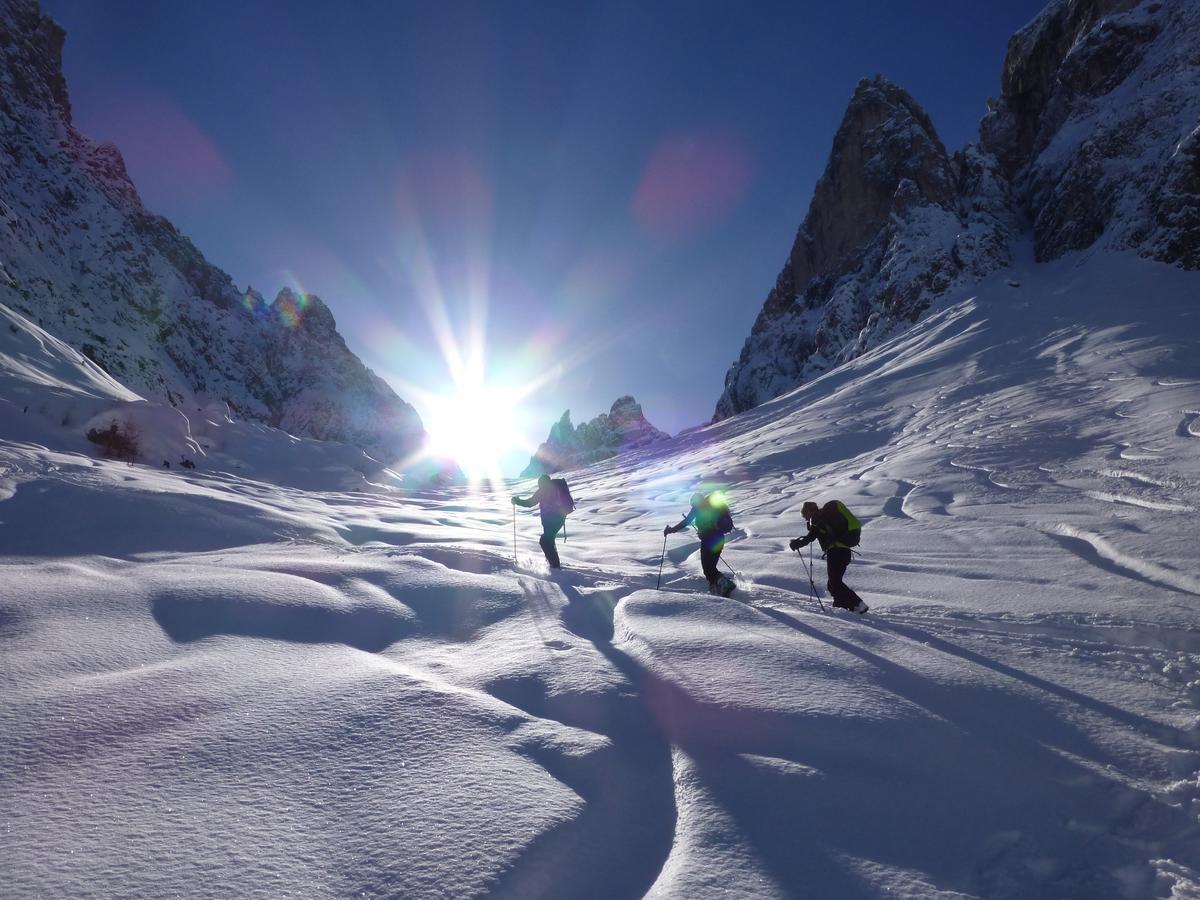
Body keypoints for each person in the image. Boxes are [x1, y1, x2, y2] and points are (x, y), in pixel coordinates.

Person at [790, 501, 868, 613]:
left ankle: (858, 604)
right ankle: (843, 606)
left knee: (835, 582)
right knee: (832, 584)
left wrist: (796, 544)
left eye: (805, 515)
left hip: (836, 552)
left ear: (809, 511)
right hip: (844, 551)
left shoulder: (817, 518)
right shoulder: (825, 518)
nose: (806, 519)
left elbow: (810, 537)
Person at [665, 492, 735, 595]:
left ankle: (723, 585)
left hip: (708, 539)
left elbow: (686, 522)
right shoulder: (713, 506)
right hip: (719, 539)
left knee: (707, 568)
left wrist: (670, 530)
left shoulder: (697, 508)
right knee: (710, 566)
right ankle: (720, 586)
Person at [513, 474, 572, 569]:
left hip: (551, 520)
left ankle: (555, 567)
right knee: (549, 540)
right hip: (559, 519)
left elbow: (529, 503)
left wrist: (517, 501)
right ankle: (552, 562)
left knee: (545, 541)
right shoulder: (556, 487)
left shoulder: (543, 490)